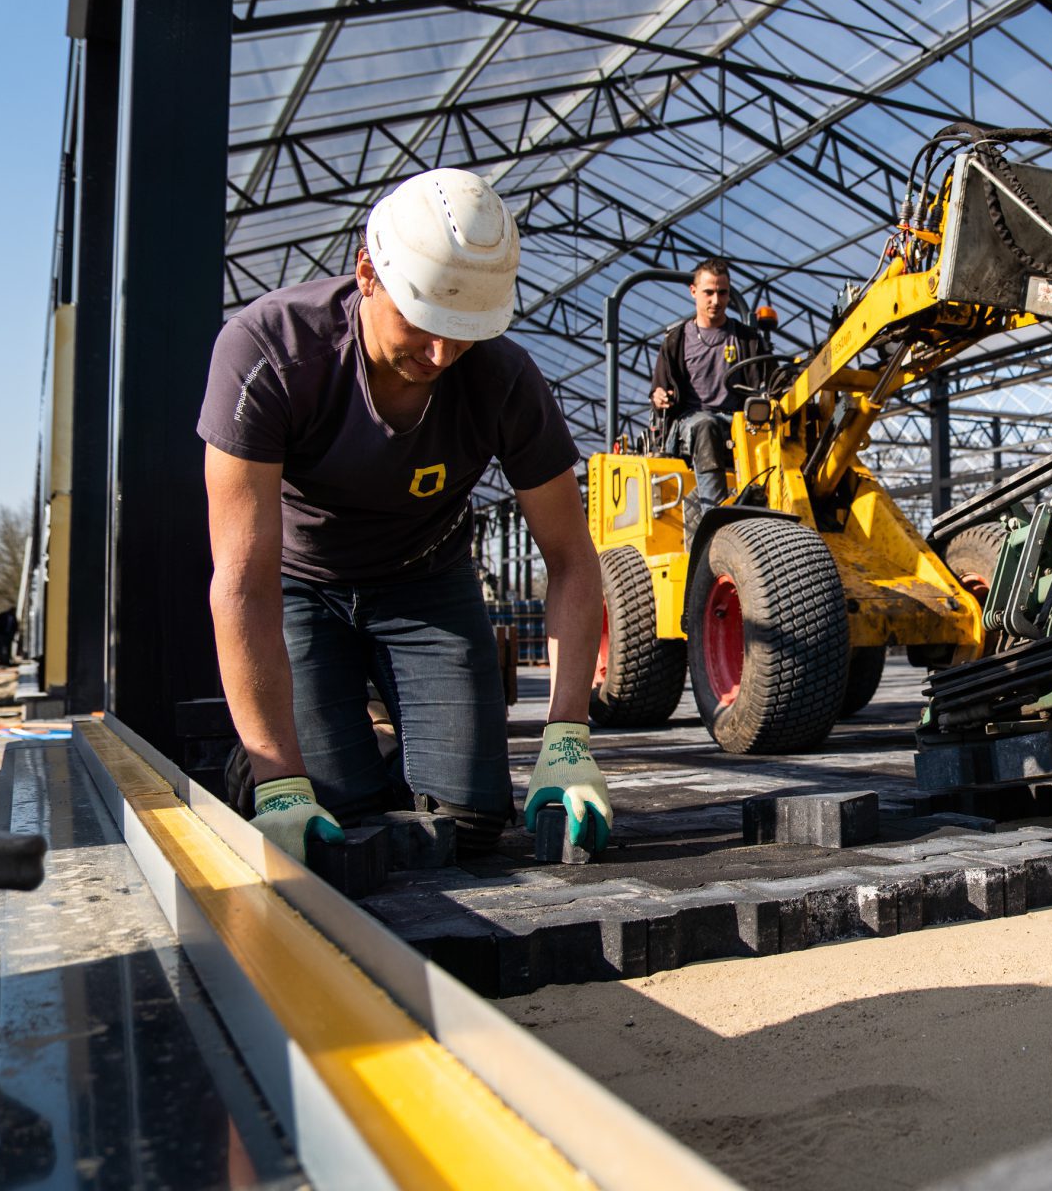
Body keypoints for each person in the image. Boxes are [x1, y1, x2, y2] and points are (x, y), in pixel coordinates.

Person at [198, 168, 610, 864]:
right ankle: (267, 762)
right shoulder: (271, 353)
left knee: (470, 823)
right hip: (300, 584)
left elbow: (571, 557)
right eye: (425, 324)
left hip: (427, 583)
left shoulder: (503, 380)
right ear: (367, 272)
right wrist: (279, 781)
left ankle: (385, 742)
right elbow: (241, 582)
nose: (441, 354)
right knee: (336, 811)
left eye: (464, 332)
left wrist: (567, 740)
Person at [648, 258, 771, 518]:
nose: (716, 300)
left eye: (722, 293)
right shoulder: (676, 341)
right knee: (706, 425)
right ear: (694, 292)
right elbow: (659, 389)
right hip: (691, 423)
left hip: (739, 420)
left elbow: (769, 381)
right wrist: (658, 397)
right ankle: (713, 517)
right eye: (709, 292)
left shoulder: (747, 339)